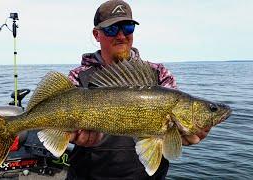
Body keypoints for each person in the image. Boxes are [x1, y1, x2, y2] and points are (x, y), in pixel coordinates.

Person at [67, 0, 211, 179]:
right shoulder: (78, 77)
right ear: (97, 34)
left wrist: (178, 137)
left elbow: (170, 136)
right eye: (112, 29)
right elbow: (64, 129)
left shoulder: (158, 74)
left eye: (127, 27)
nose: (121, 35)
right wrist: (69, 135)